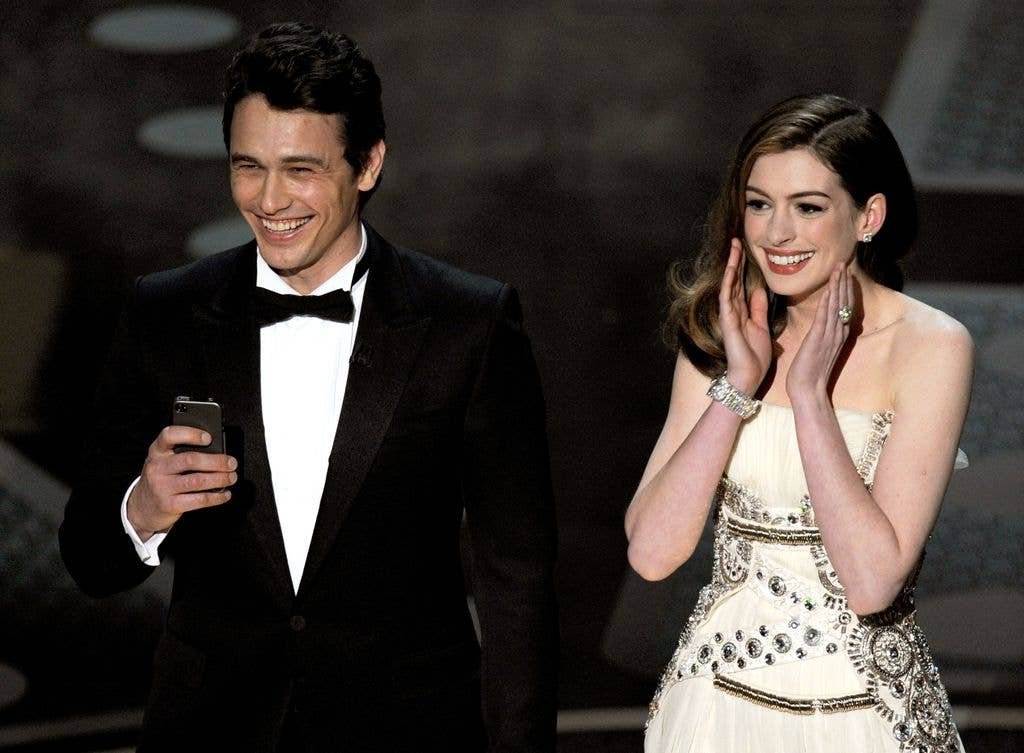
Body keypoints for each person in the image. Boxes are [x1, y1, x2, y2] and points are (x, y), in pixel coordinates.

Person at [59, 22, 558, 753]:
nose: (268, 199)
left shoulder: (468, 323)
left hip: (408, 729)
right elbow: (88, 558)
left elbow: (517, 580)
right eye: (247, 166)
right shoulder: (164, 312)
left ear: (367, 164)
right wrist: (145, 505)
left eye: (301, 169)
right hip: (210, 729)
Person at [625, 94, 972, 753]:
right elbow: (652, 553)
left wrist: (810, 396)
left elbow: (872, 583)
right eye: (759, 203)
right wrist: (738, 386)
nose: (775, 234)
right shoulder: (719, 330)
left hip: (862, 714)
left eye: (807, 207)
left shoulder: (932, 345)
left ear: (868, 215)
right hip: (713, 705)